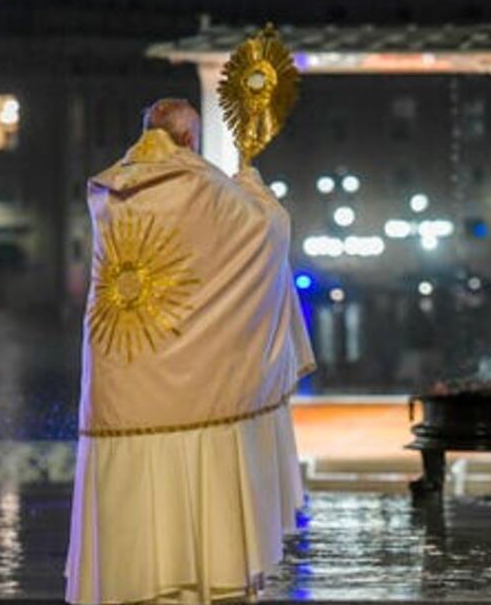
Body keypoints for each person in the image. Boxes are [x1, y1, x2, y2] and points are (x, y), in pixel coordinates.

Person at [66, 99, 315, 604]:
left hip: (119, 382)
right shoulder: (202, 186)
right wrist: (251, 183)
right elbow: (265, 234)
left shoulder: (109, 192)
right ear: (188, 140)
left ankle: (129, 584)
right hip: (195, 388)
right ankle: (199, 580)